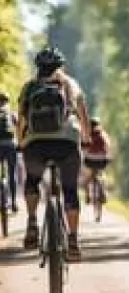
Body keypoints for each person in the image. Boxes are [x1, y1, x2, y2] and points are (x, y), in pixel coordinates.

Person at [16, 45, 90, 261]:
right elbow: (84, 116)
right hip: (66, 144)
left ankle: (31, 223)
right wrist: (85, 138)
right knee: (69, 191)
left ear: (37, 67)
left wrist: (21, 143)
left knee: (32, 180)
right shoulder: (70, 84)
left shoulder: (29, 87)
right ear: (61, 66)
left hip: (35, 145)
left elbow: (20, 120)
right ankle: (73, 240)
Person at [82, 117, 111, 208]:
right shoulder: (103, 134)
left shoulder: (87, 134)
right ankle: (103, 191)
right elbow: (108, 145)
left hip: (90, 160)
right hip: (102, 159)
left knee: (87, 179)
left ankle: (88, 196)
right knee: (102, 174)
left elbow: (83, 146)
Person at [0, 91, 18, 212]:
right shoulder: (11, 112)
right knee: (12, 173)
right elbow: (18, 125)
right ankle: (14, 202)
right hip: (10, 145)